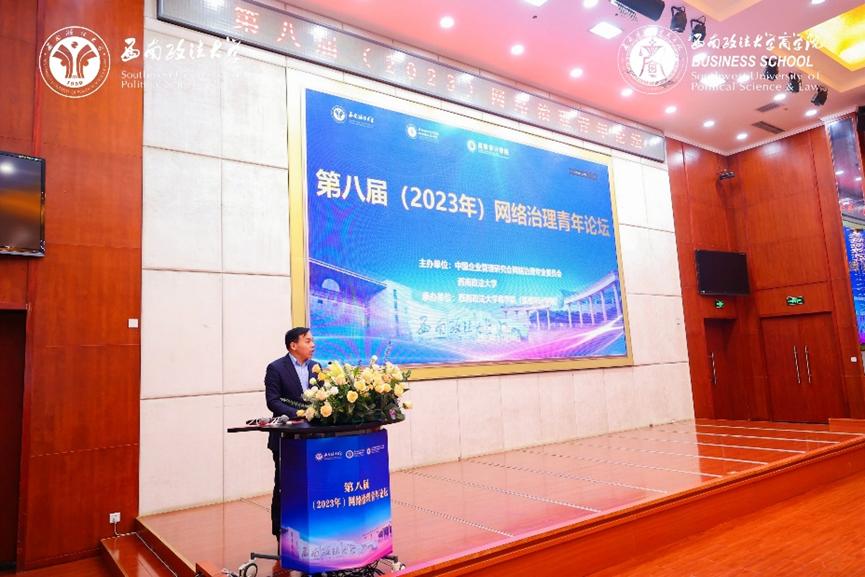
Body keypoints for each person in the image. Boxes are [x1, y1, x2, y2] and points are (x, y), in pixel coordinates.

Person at [264, 326, 320, 542]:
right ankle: (282, 534)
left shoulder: (317, 367)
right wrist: (300, 413)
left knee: (313, 484)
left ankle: (312, 532)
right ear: (293, 345)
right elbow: (273, 401)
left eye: (312, 340)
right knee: (285, 485)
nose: (313, 345)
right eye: (308, 341)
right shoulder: (276, 368)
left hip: (313, 439)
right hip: (286, 439)